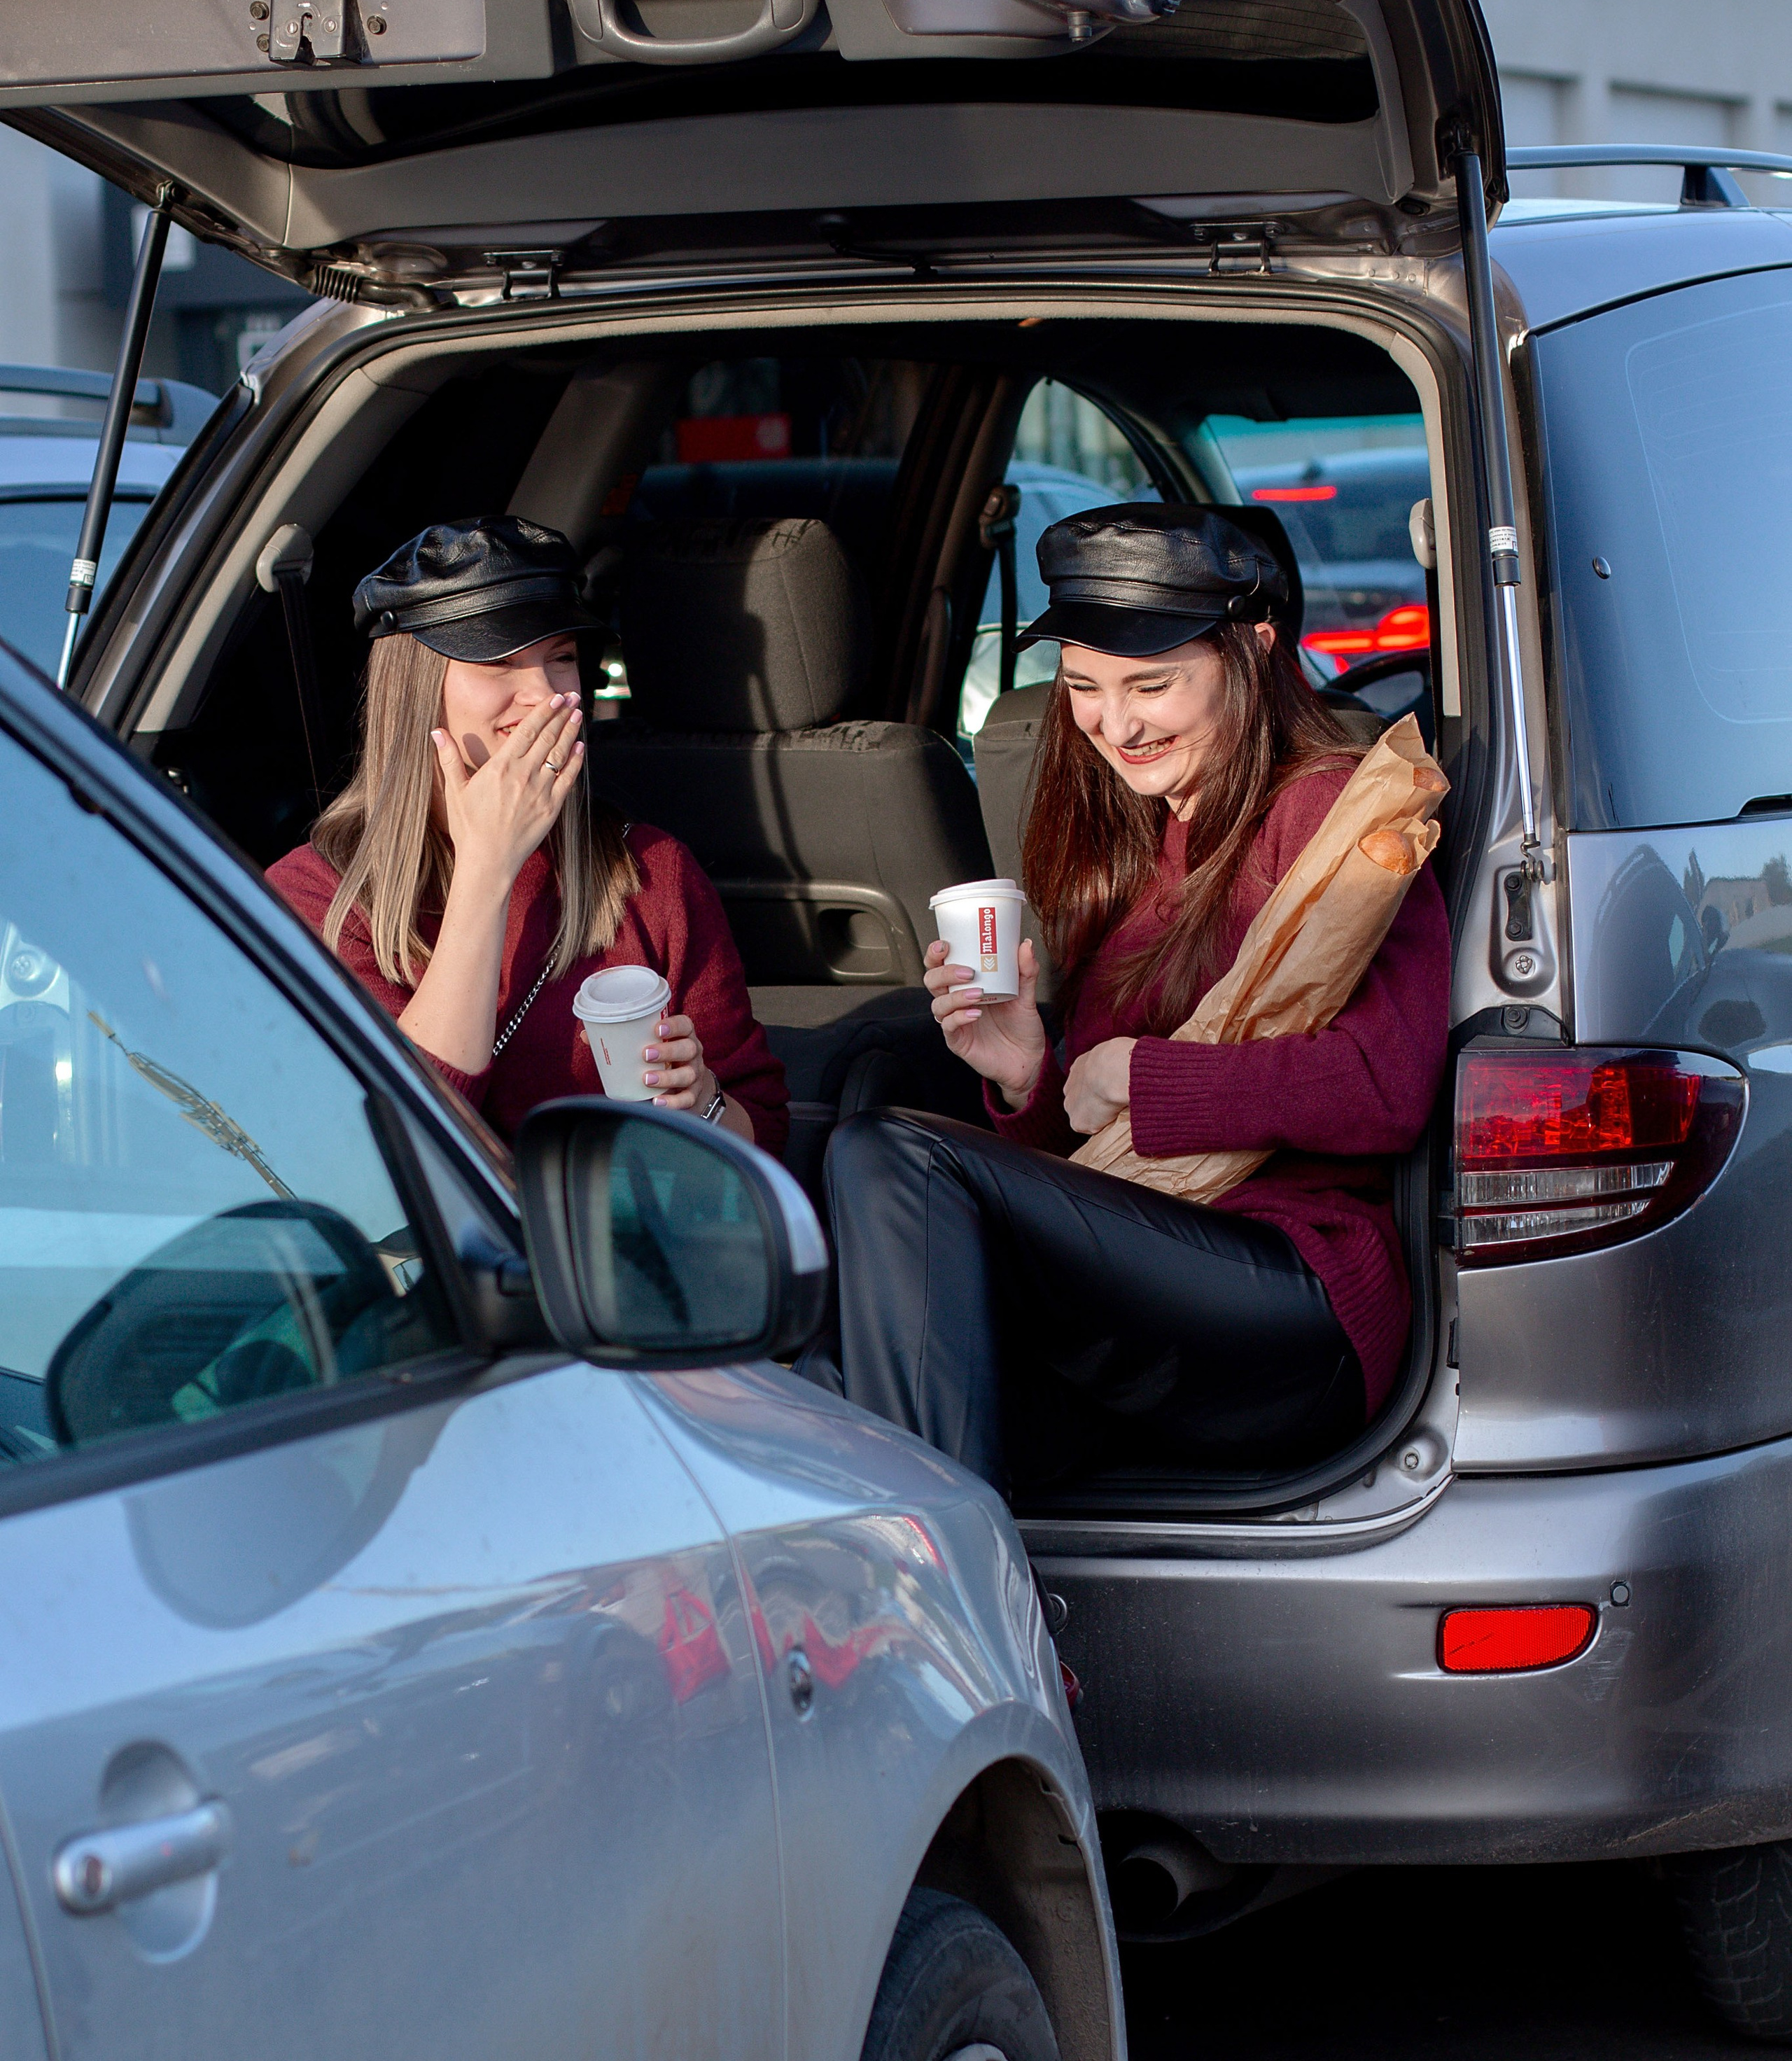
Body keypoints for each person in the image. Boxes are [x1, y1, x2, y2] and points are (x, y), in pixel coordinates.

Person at [823, 503, 1449, 1489]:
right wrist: (1030, 1072)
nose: (1116, 725)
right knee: (835, 1351)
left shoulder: (1329, 809)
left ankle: (936, 1594)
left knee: (891, 1152)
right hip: (1162, 1274)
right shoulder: (1129, 848)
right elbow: (1098, 1157)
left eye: (1152, 685)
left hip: (1298, 1295)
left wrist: (1140, 1075)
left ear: (1253, 649)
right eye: (1083, 688)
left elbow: (1386, 1085)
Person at [267, 517, 788, 1154]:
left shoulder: (650, 872)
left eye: (561, 659)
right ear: (417, 694)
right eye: (498, 663)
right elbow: (408, 1146)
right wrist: (487, 866)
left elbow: (763, 1129)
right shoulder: (317, 894)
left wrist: (702, 1100)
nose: (544, 696)